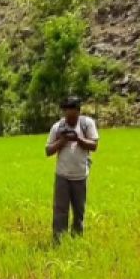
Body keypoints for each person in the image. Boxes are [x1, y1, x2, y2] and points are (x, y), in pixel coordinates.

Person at [45, 96, 100, 243]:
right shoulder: (57, 127)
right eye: (67, 115)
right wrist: (62, 141)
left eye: (73, 116)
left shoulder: (87, 124)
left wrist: (78, 139)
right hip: (62, 175)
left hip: (80, 175)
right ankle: (59, 239)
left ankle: (77, 238)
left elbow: (94, 145)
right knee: (60, 210)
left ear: (78, 112)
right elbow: (48, 150)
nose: (70, 119)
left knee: (78, 210)